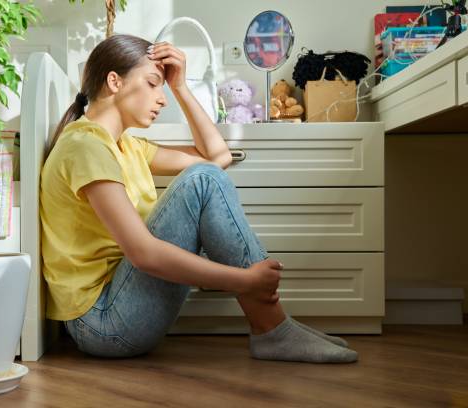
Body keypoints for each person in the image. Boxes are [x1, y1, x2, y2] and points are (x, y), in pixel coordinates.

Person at [40, 34, 358, 363]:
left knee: (206, 176)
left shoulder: (128, 147)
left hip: (120, 307)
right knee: (201, 181)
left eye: (163, 88)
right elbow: (143, 254)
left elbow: (218, 157)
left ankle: (275, 327)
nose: (161, 99)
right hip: (102, 323)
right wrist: (245, 280)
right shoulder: (85, 145)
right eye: (153, 84)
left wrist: (181, 87)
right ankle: (273, 329)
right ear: (114, 82)